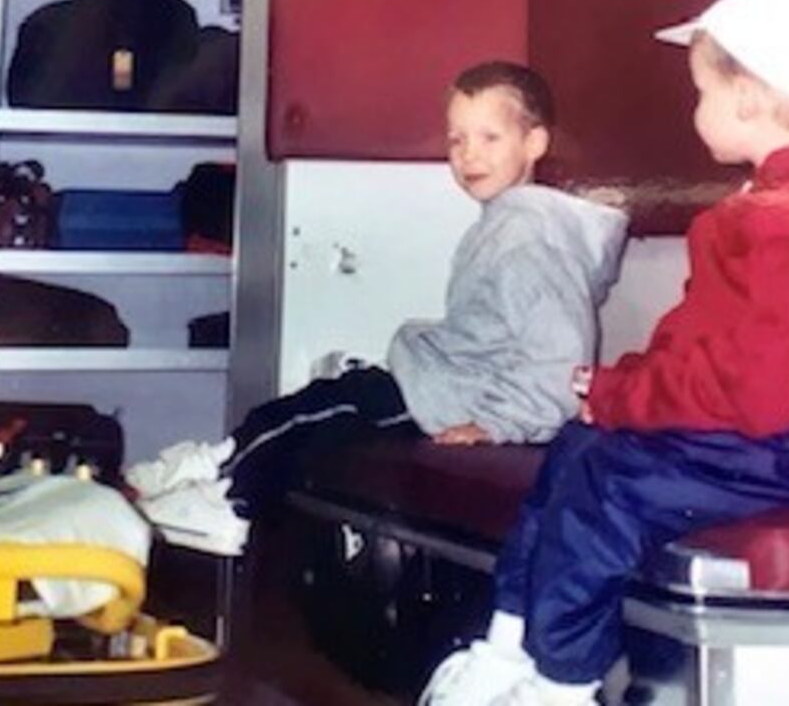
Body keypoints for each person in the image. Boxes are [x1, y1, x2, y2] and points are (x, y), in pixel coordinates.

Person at [420, 0, 789, 706]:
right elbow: (699, 345)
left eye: (702, 91)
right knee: (580, 449)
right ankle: (507, 648)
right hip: (778, 433)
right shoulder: (770, 207)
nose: (696, 109)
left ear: (748, 98)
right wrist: (614, 393)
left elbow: (758, 388)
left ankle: (559, 683)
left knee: (608, 483)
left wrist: (629, 399)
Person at [126, 61, 629, 556]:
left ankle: (228, 501)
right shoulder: (505, 222)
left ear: (534, 144)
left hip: (458, 399)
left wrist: (501, 426)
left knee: (326, 412)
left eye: (489, 138)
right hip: (448, 383)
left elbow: (563, 358)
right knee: (323, 401)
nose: (469, 155)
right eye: (456, 140)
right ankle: (211, 465)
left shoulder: (528, 234)